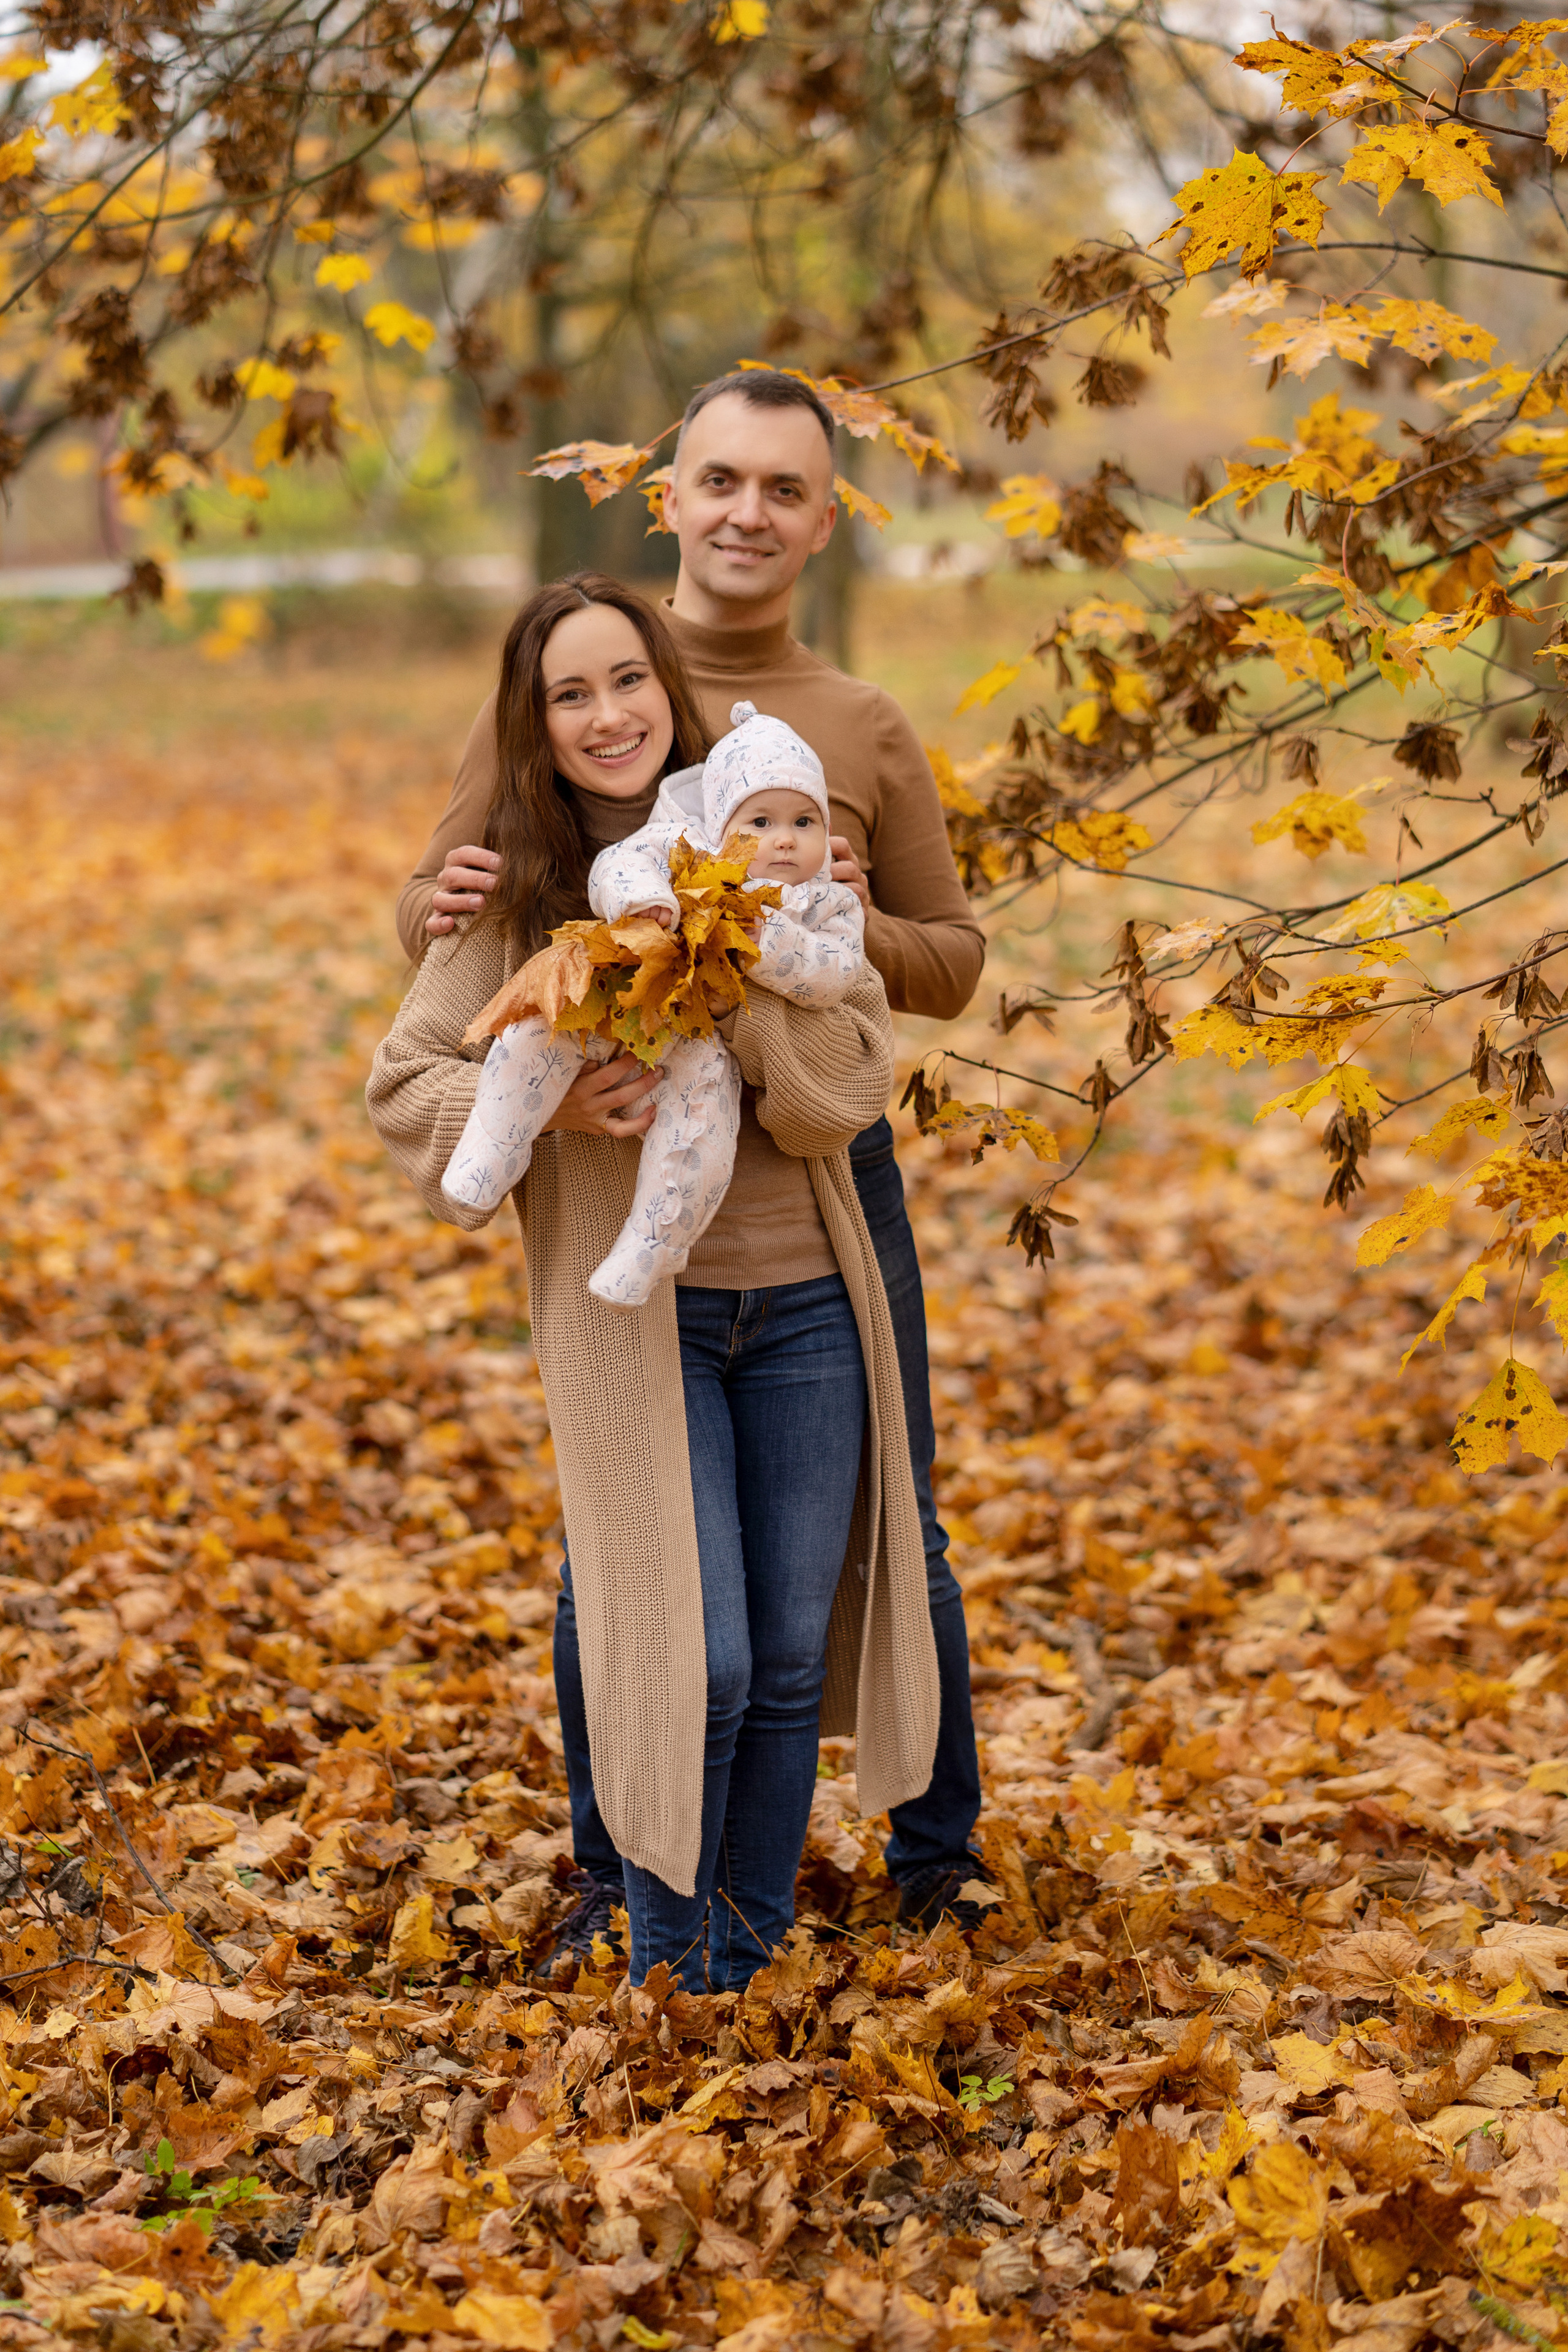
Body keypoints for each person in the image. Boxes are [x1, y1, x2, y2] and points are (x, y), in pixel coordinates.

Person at [396, 366, 989, 1949]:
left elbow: (949, 958)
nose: (747, 512)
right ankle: (629, 1876)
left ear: (821, 518)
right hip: (627, 1174)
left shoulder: (854, 724)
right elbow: (461, 906)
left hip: (816, 1175)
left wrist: (835, 918)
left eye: (784, 489)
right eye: (721, 480)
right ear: (675, 495)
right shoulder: (585, 678)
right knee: (639, 1561)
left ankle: (928, 1857)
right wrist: (442, 920)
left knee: (876, 1531)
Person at [441, 701, 864, 1308]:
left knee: (700, 1125)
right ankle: (492, 1146)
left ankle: (654, 1240)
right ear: (720, 824)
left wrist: (759, 940)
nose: (783, 841)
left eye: (804, 823)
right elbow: (619, 861)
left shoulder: (828, 904)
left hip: (697, 1040)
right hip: (622, 1003)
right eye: (760, 822)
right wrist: (643, 899)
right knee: (537, 1033)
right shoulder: (684, 849)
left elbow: (837, 972)